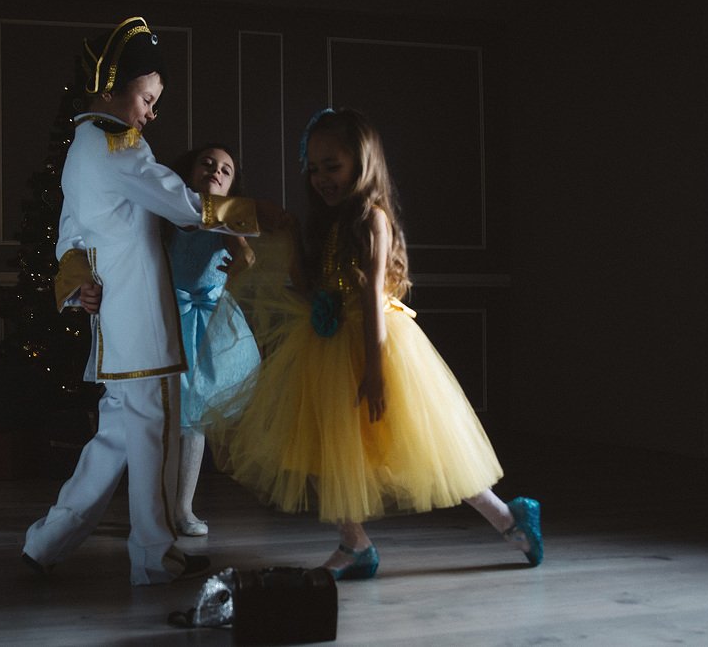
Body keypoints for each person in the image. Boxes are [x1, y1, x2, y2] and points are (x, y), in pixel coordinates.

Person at [204, 108, 543, 580]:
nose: (321, 177)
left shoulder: (370, 220)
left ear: (361, 164)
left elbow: (370, 299)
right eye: (314, 168)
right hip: (328, 348)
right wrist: (294, 237)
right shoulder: (327, 222)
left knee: (424, 447)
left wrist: (376, 371)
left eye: (333, 166)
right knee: (327, 446)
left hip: (374, 344)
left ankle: (509, 519)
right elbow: (308, 288)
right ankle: (354, 543)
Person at [21, 16, 267, 586]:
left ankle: (46, 542)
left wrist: (75, 282)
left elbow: (70, 233)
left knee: (114, 436)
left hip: (115, 325)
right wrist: (261, 216)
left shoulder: (82, 147)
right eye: (148, 98)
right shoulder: (117, 144)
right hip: (143, 325)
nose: (152, 113)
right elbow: (184, 204)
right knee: (153, 435)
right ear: (112, 86)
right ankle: (156, 559)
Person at [164, 145, 262, 537]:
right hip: (167, 317)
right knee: (160, 416)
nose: (216, 171)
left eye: (226, 169)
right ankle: (155, 504)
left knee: (194, 419)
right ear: (189, 172)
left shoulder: (226, 220)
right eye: (207, 164)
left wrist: (243, 259)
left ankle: (183, 508)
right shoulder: (168, 214)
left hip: (209, 324)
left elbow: (244, 251)